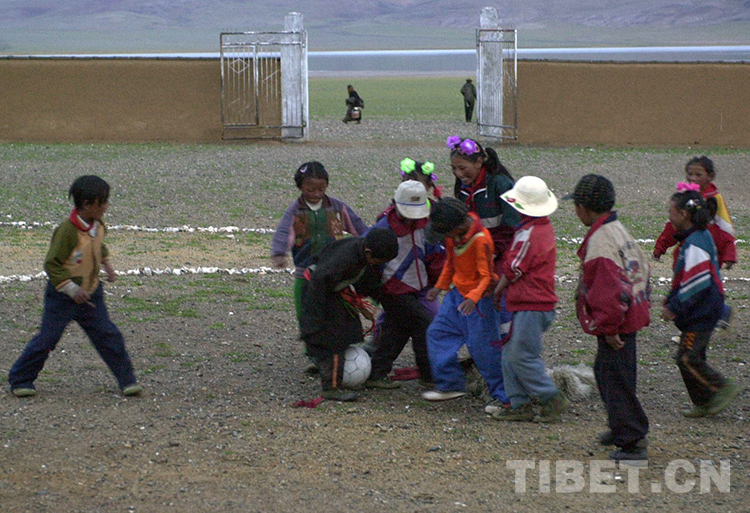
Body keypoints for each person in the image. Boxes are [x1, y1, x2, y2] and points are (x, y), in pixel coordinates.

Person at [8, 175, 143, 398]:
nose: (106, 207)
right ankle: (20, 379)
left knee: (109, 335)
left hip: (91, 294)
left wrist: (107, 265)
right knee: (47, 339)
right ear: (87, 204)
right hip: (62, 298)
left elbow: (99, 246)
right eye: (103, 203)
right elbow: (52, 264)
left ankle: (127, 380)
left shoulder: (98, 225)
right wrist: (71, 289)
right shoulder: (67, 231)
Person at [569, 174, 651, 463]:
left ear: (584, 207)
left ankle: (632, 440)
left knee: (617, 380)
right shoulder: (616, 228)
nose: (575, 211)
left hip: (618, 322)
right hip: (630, 313)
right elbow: (643, 266)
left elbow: (608, 292)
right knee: (607, 372)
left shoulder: (600, 243)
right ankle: (621, 427)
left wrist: (610, 327)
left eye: (576, 205)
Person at [491, 176, 569, 422]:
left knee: (520, 355)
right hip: (531, 303)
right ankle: (518, 403)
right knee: (510, 353)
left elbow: (514, 268)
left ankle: (550, 397)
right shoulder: (542, 228)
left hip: (532, 304)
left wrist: (498, 289)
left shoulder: (529, 233)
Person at [270, 161, 368, 353]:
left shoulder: (337, 207)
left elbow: (357, 225)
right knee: (306, 313)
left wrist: (368, 242)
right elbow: (283, 231)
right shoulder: (295, 211)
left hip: (334, 272)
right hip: (305, 274)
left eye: (321, 189)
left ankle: (340, 346)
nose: (316, 193)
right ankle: (313, 351)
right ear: (300, 186)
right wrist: (279, 252)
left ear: (327, 186)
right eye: (310, 189)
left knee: (337, 310)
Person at [661, 184, 742, 418]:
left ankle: (722, 388)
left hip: (702, 311)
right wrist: (672, 298)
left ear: (683, 214)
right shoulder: (697, 236)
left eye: (671, 212)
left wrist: (674, 306)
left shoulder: (695, 242)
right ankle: (703, 402)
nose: (669, 217)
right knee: (693, 355)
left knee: (687, 357)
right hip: (703, 308)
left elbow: (695, 282)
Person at [421, 197, 508, 409]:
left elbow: (486, 275)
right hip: (458, 294)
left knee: (483, 348)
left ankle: (504, 396)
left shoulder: (480, 240)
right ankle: (450, 384)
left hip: (480, 300)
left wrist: (473, 298)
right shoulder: (453, 237)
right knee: (438, 333)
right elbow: (450, 263)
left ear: (458, 228)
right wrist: (439, 287)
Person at [300, 228, 399, 401]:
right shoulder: (345, 259)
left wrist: (382, 299)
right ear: (368, 253)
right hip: (317, 291)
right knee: (334, 338)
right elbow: (319, 282)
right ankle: (331, 387)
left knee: (349, 330)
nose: (379, 264)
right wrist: (314, 321)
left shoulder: (360, 253)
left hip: (333, 290)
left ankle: (321, 362)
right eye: (379, 261)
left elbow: (366, 280)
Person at [364, 181, 445, 390]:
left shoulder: (425, 226)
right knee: (422, 324)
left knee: (397, 330)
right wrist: (375, 290)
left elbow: (435, 255)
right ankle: (428, 374)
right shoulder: (383, 228)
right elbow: (366, 257)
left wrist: (435, 282)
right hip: (392, 290)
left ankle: (377, 372)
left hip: (416, 288)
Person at [653, 156, 736, 329]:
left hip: (706, 252)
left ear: (710, 176)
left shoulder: (715, 199)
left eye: (698, 174)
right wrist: (661, 246)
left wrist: (730, 254)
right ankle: (714, 313)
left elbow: (725, 228)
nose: (693, 178)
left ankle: (696, 326)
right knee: (689, 282)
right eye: (690, 174)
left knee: (701, 285)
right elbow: (671, 227)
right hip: (686, 251)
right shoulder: (684, 198)